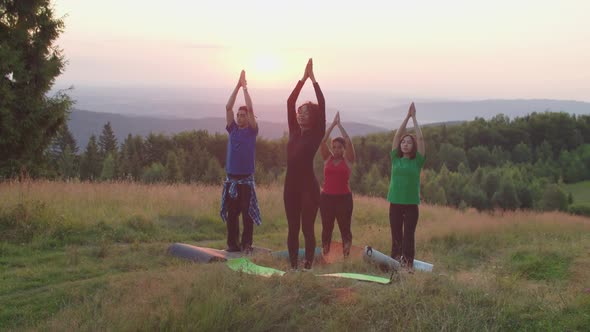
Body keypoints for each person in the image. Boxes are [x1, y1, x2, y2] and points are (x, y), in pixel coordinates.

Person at [284, 58, 325, 271]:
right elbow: (290, 102)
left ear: (314, 117)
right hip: (290, 186)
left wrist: (313, 80)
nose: (299, 114)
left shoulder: (316, 134)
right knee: (292, 228)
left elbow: (323, 104)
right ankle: (293, 267)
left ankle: (307, 266)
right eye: (300, 112)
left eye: (305, 112)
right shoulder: (293, 130)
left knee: (307, 229)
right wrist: (302, 79)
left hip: (308, 188)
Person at [219, 70, 261, 253]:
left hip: (245, 179)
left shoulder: (251, 131)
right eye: (239, 115)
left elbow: (251, 109)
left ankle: (246, 244)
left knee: (247, 214)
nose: (240, 117)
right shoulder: (232, 130)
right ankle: (232, 244)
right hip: (231, 179)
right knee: (232, 214)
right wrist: (236, 86)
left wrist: (245, 88)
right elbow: (228, 107)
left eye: (243, 115)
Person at [388, 102, 425, 273]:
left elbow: (421, 138)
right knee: (396, 235)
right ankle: (395, 264)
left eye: (409, 142)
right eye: (404, 142)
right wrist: (406, 117)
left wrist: (414, 119)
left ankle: (408, 266)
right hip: (395, 203)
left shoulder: (417, 161)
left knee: (408, 236)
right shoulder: (395, 158)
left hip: (411, 205)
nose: (405, 144)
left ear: (413, 146)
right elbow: (396, 136)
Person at [319, 111, 356, 258]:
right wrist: (332, 125)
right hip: (326, 198)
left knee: (344, 228)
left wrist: (339, 126)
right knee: (327, 227)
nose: (336, 150)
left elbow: (349, 140)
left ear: (344, 149)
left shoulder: (348, 160)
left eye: (339, 147)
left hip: (344, 199)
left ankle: (346, 255)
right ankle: (325, 254)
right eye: (334, 147)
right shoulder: (327, 158)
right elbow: (322, 141)